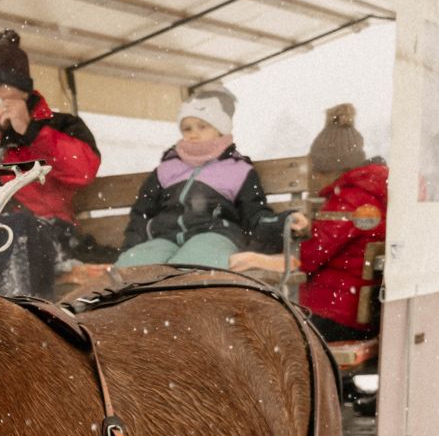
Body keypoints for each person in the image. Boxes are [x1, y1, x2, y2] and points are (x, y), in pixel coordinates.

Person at [0, 29, 101, 299]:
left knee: (18, 229)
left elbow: (83, 171)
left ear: (23, 91)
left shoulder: (58, 126)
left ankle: (7, 315)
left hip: (47, 233)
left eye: (1, 86)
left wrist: (30, 131)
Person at [118, 87, 283, 270]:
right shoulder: (167, 169)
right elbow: (142, 212)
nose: (193, 134)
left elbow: (254, 212)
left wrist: (280, 223)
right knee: (131, 270)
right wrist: (131, 248)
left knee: (190, 268)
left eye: (202, 126)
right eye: (186, 128)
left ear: (220, 129)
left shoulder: (238, 170)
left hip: (215, 235)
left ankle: (185, 292)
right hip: (165, 237)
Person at [293, 105, 388, 341]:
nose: (313, 177)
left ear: (328, 168)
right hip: (359, 313)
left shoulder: (349, 200)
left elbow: (307, 257)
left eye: (316, 170)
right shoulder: (373, 193)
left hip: (334, 316)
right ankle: (343, 381)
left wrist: (286, 240)